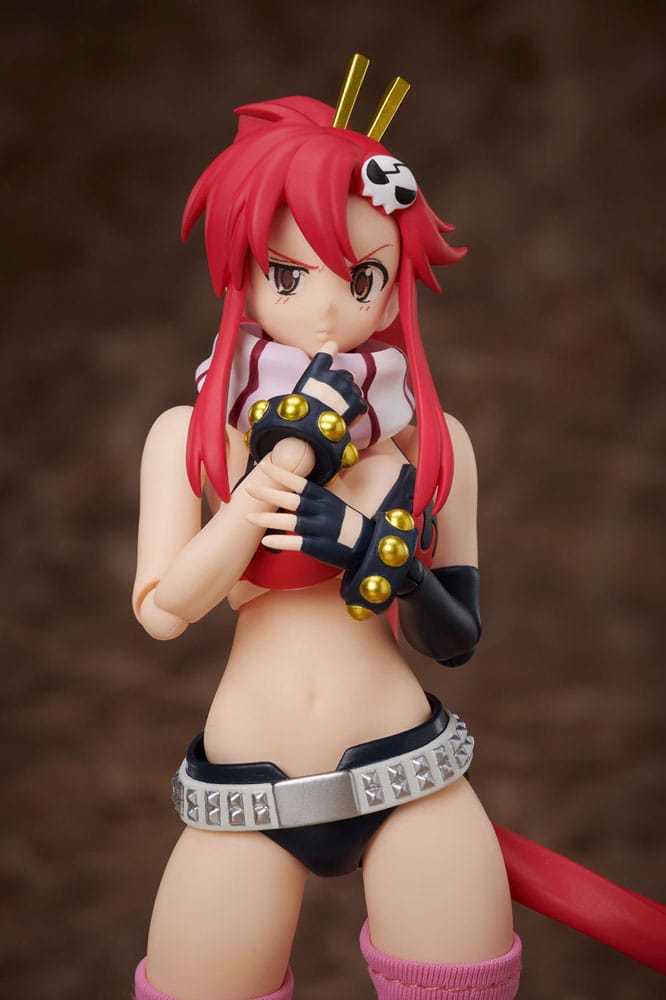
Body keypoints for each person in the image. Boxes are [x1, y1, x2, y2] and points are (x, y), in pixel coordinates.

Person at [132, 56, 666, 1000]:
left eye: (364, 276)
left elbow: (455, 636)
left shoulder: (434, 442)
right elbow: (164, 611)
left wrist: (377, 558)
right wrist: (249, 511)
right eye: (290, 273)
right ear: (243, 268)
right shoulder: (191, 435)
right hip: (244, 787)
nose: (328, 309)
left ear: (392, 289)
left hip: (410, 776)